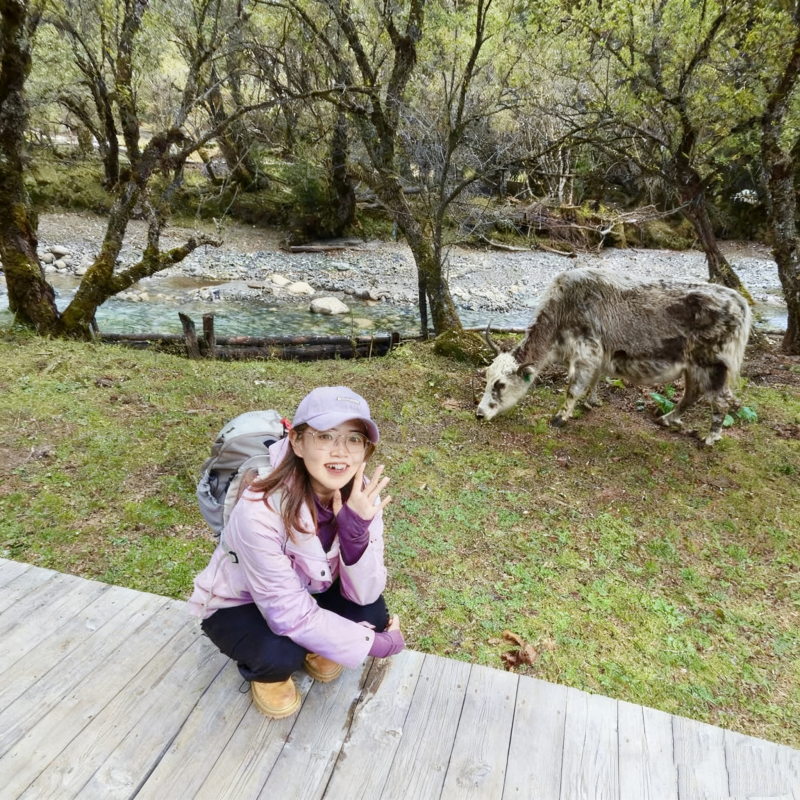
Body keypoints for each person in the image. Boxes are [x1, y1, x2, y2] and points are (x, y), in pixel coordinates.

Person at [187, 386, 405, 719]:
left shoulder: (362, 497)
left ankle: (320, 641)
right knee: (279, 655)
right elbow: (288, 612)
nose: (341, 452)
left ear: (366, 450)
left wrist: (355, 534)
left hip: (310, 589)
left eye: (354, 439)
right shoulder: (258, 507)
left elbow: (366, 592)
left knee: (371, 616)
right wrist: (373, 645)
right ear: (297, 442)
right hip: (241, 601)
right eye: (326, 437)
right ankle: (272, 670)